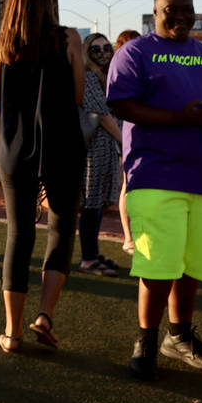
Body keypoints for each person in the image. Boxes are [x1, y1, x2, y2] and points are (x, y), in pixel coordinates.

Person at [106, 0, 202, 381]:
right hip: (153, 173)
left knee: (192, 266)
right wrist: (181, 118)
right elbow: (121, 103)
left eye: (187, 9)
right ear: (156, 11)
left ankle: (180, 336)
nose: (181, 16)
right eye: (172, 9)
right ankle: (146, 341)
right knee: (157, 264)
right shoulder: (135, 52)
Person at [0, 0, 85, 352]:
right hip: (63, 146)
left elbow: (3, 97)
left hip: (15, 150)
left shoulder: (0, 45)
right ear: (48, 3)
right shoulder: (69, 39)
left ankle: (11, 333)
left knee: (19, 235)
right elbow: (78, 96)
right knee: (61, 231)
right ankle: (44, 315)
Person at [76, 32, 123, 275]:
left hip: (105, 147)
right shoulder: (89, 78)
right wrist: (125, 142)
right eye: (96, 49)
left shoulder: (106, 77)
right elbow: (103, 116)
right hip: (94, 149)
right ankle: (87, 258)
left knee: (98, 203)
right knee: (91, 203)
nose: (103, 52)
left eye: (107, 47)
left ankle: (92, 253)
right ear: (86, 52)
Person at [113, 29, 142, 253]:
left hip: (135, 133)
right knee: (127, 185)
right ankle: (129, 237)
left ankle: (133, 236)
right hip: (127, 134)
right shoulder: (121, 68)